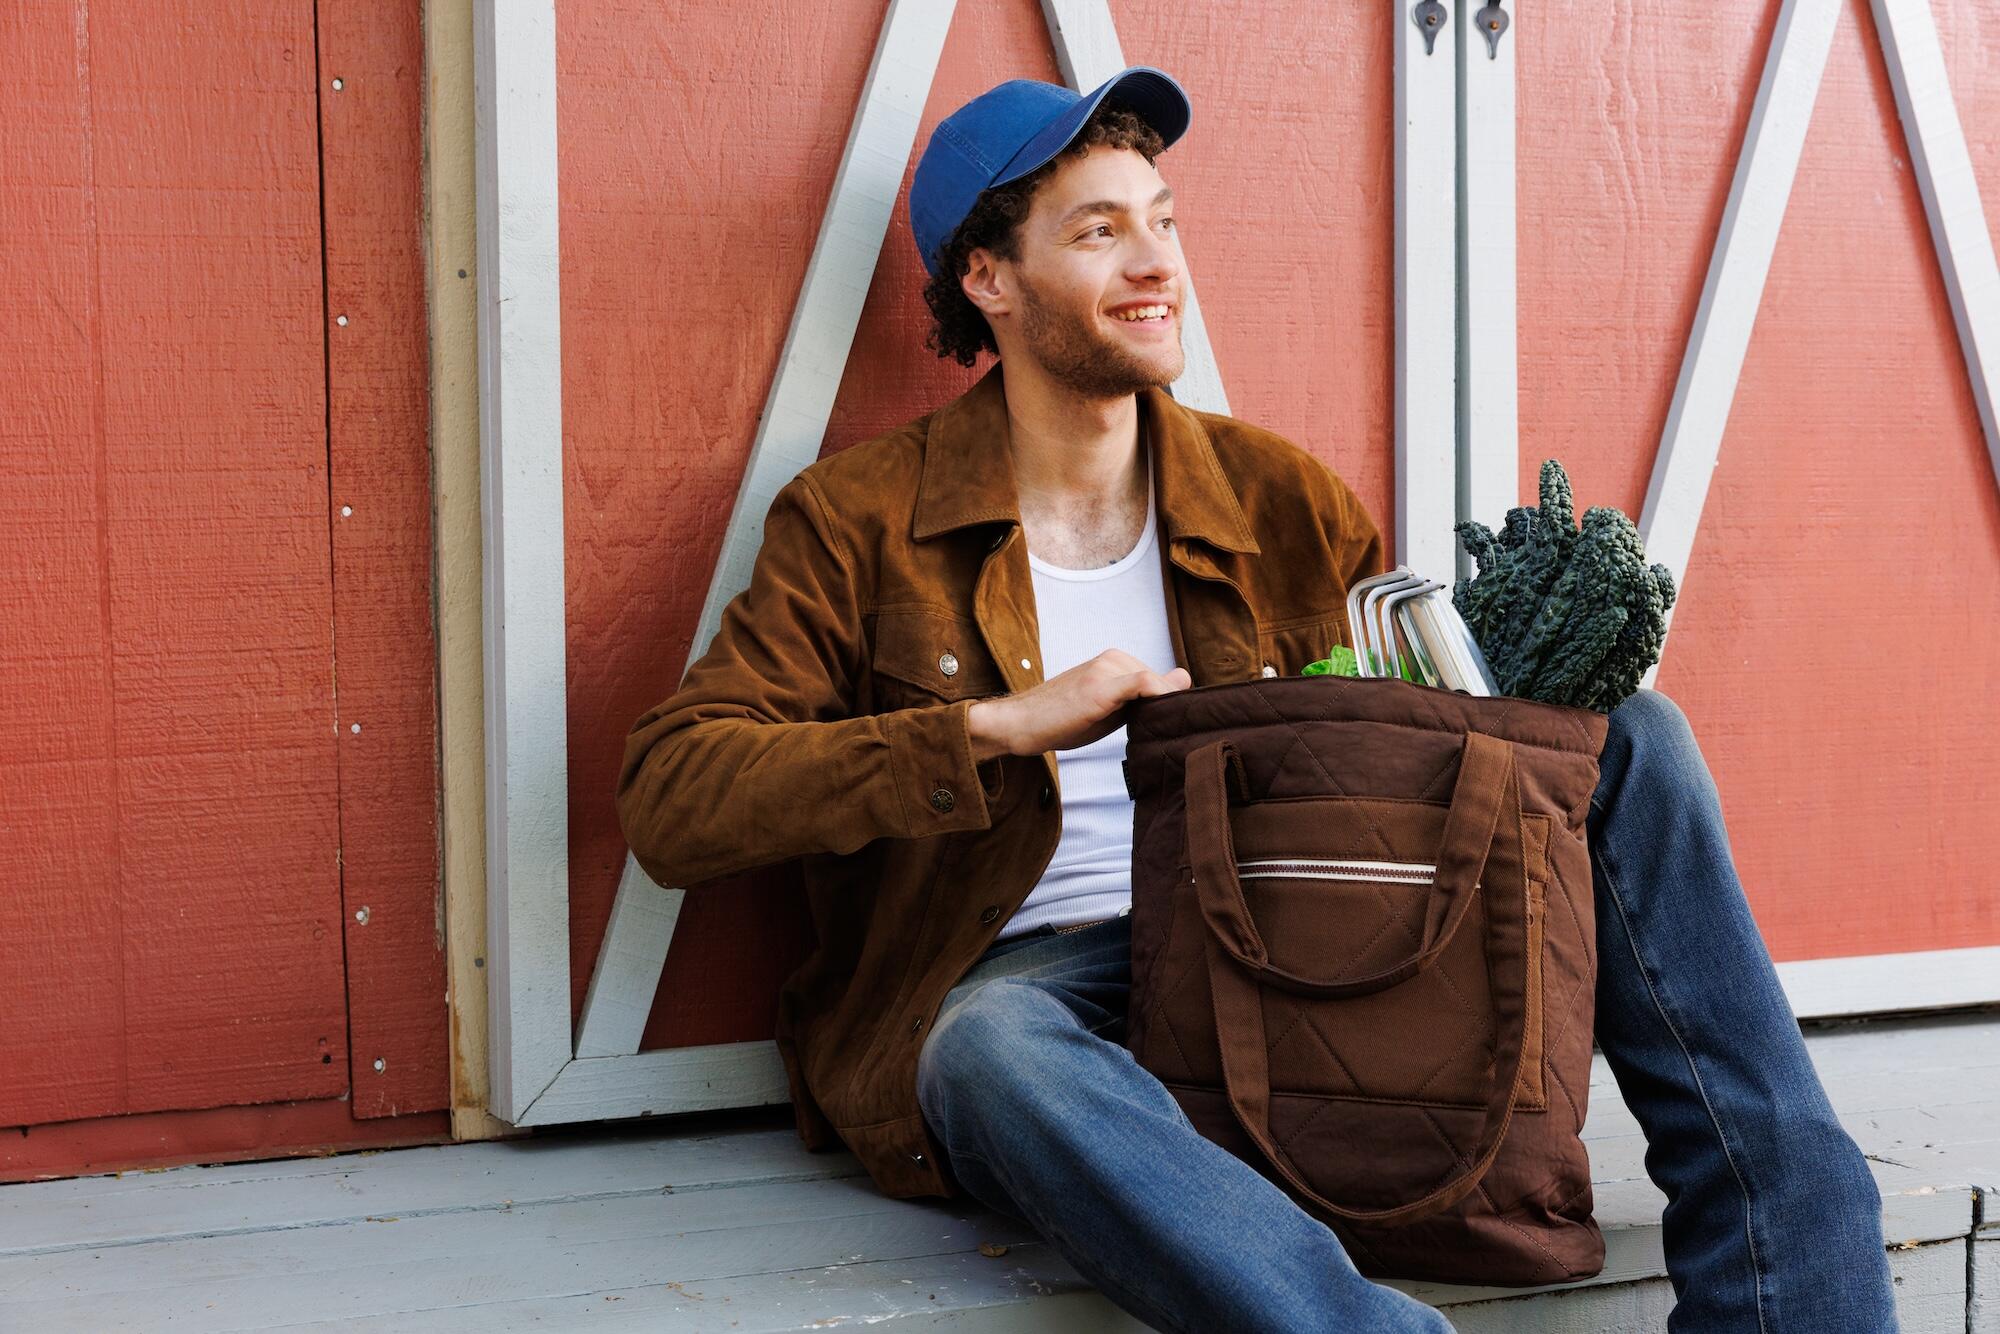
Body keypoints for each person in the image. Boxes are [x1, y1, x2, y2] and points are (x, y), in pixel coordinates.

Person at [616, 68, 1896, 1334]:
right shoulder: (855, 524)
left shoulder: (1278, 499)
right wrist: (998, 725)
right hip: (1050, 988)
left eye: (1161, 220)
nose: (1153, 262)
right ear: (987, 280)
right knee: (983, 1047)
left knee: (1636, 739)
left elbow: (1384, 756)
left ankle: (1794, 1304)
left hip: (1282, 941)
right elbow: (673, 797)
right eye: (1097, 230)